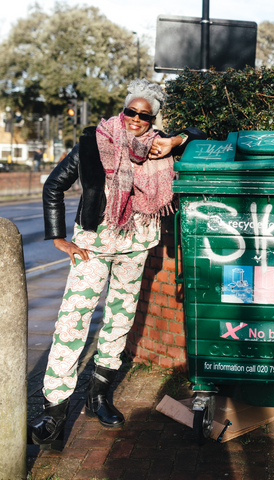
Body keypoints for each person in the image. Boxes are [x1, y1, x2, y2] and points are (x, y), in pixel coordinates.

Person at [29, 79, 206, 451]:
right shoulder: (96, 141)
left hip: (136, 245)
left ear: (153, 118)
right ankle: (54, 411)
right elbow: (53, 186)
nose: (136, 120)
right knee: (73, 320)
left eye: (145, 115)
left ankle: (99, 397)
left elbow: (200, 133)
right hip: (92, 246)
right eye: (131, 112)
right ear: (122, 110)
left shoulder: (161, 147)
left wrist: (177, 140)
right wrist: (58, 237)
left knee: (120, 319)